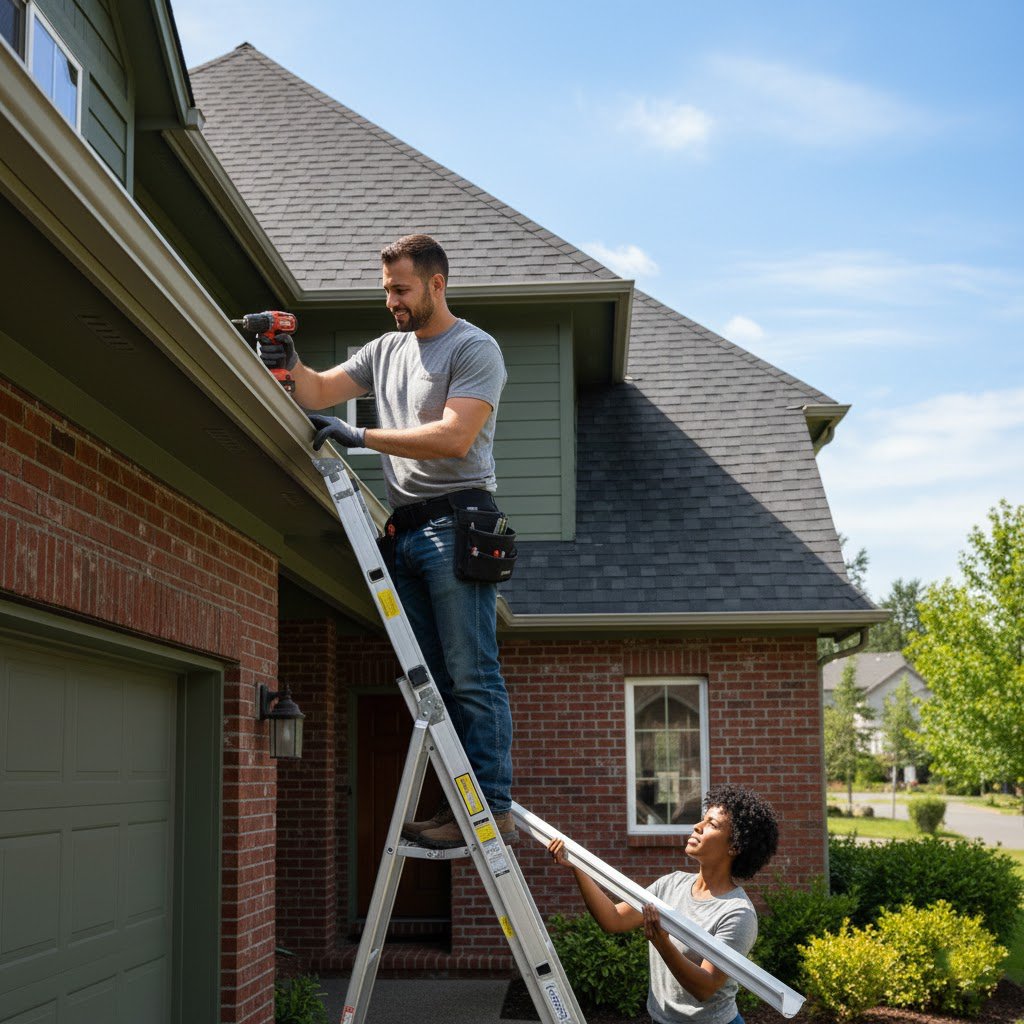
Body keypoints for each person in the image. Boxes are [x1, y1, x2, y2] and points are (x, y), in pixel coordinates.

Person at [261, 233, 514, 848]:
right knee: (432, 685)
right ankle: (460, 808)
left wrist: (361, 436)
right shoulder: (384, 349)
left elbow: (454, 437)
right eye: (386, 291)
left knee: (470, 674)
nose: (392, 301)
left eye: (401, 290)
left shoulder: (474, 348)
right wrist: (287, 359)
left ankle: (493, 808)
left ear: (436, 284)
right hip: (403, 531)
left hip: (458, 524)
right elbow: (316, 391)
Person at [547, 785, 779, 1024]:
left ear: (735, 846)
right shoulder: (671, 885)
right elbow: (613, 919)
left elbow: (705, 987)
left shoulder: (737, 913)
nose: (697, 826)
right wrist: (577, 866)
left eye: (712, 824)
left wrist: (662, 943)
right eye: (702, 819)